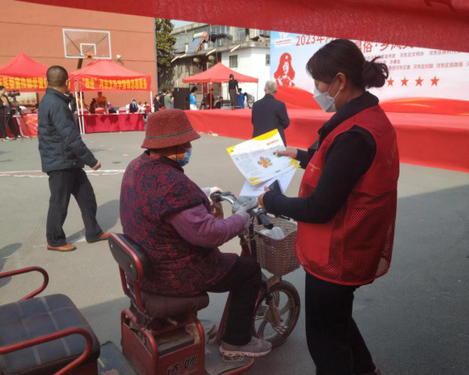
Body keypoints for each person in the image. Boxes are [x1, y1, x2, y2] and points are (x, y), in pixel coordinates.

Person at [258, 39, 399, 375]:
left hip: (338, 252)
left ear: (339, 81)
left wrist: (271, 200)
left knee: (324, 341)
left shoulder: (354, 134)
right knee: (338, 319)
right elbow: (340, 169)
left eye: (319, 83)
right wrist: (299, 155)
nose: (317, 90)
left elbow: (321, 207)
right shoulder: (369, 116)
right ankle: (366, 369)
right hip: (350, 244)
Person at [120, 109, 272, 358]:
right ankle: (236, 341)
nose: (190, 146)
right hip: (175, 272)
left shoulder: (137, 166)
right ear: (172, 145)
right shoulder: (173, 185)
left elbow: (160, 201)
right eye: (186, 142)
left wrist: (204, 191)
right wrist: (242, 217)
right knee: (248, 271)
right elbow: (209, 234)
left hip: (147, 265)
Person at [38, 65, 110, 252]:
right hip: (60, 161)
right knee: (59, 203)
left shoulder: (54, 101)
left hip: (69, 161)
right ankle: (54, 240)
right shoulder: (55, 103)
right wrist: (91, 160)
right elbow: (70, 137)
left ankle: (93, 231)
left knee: (87, 197)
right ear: (66, 82)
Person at [251, 80, 290, 145]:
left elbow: (253, 121)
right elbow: (286, 123)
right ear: (276, 91)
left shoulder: (255, 104)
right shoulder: (280, 105)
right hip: (275, 141)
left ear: (264, 89)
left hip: (258, 141)